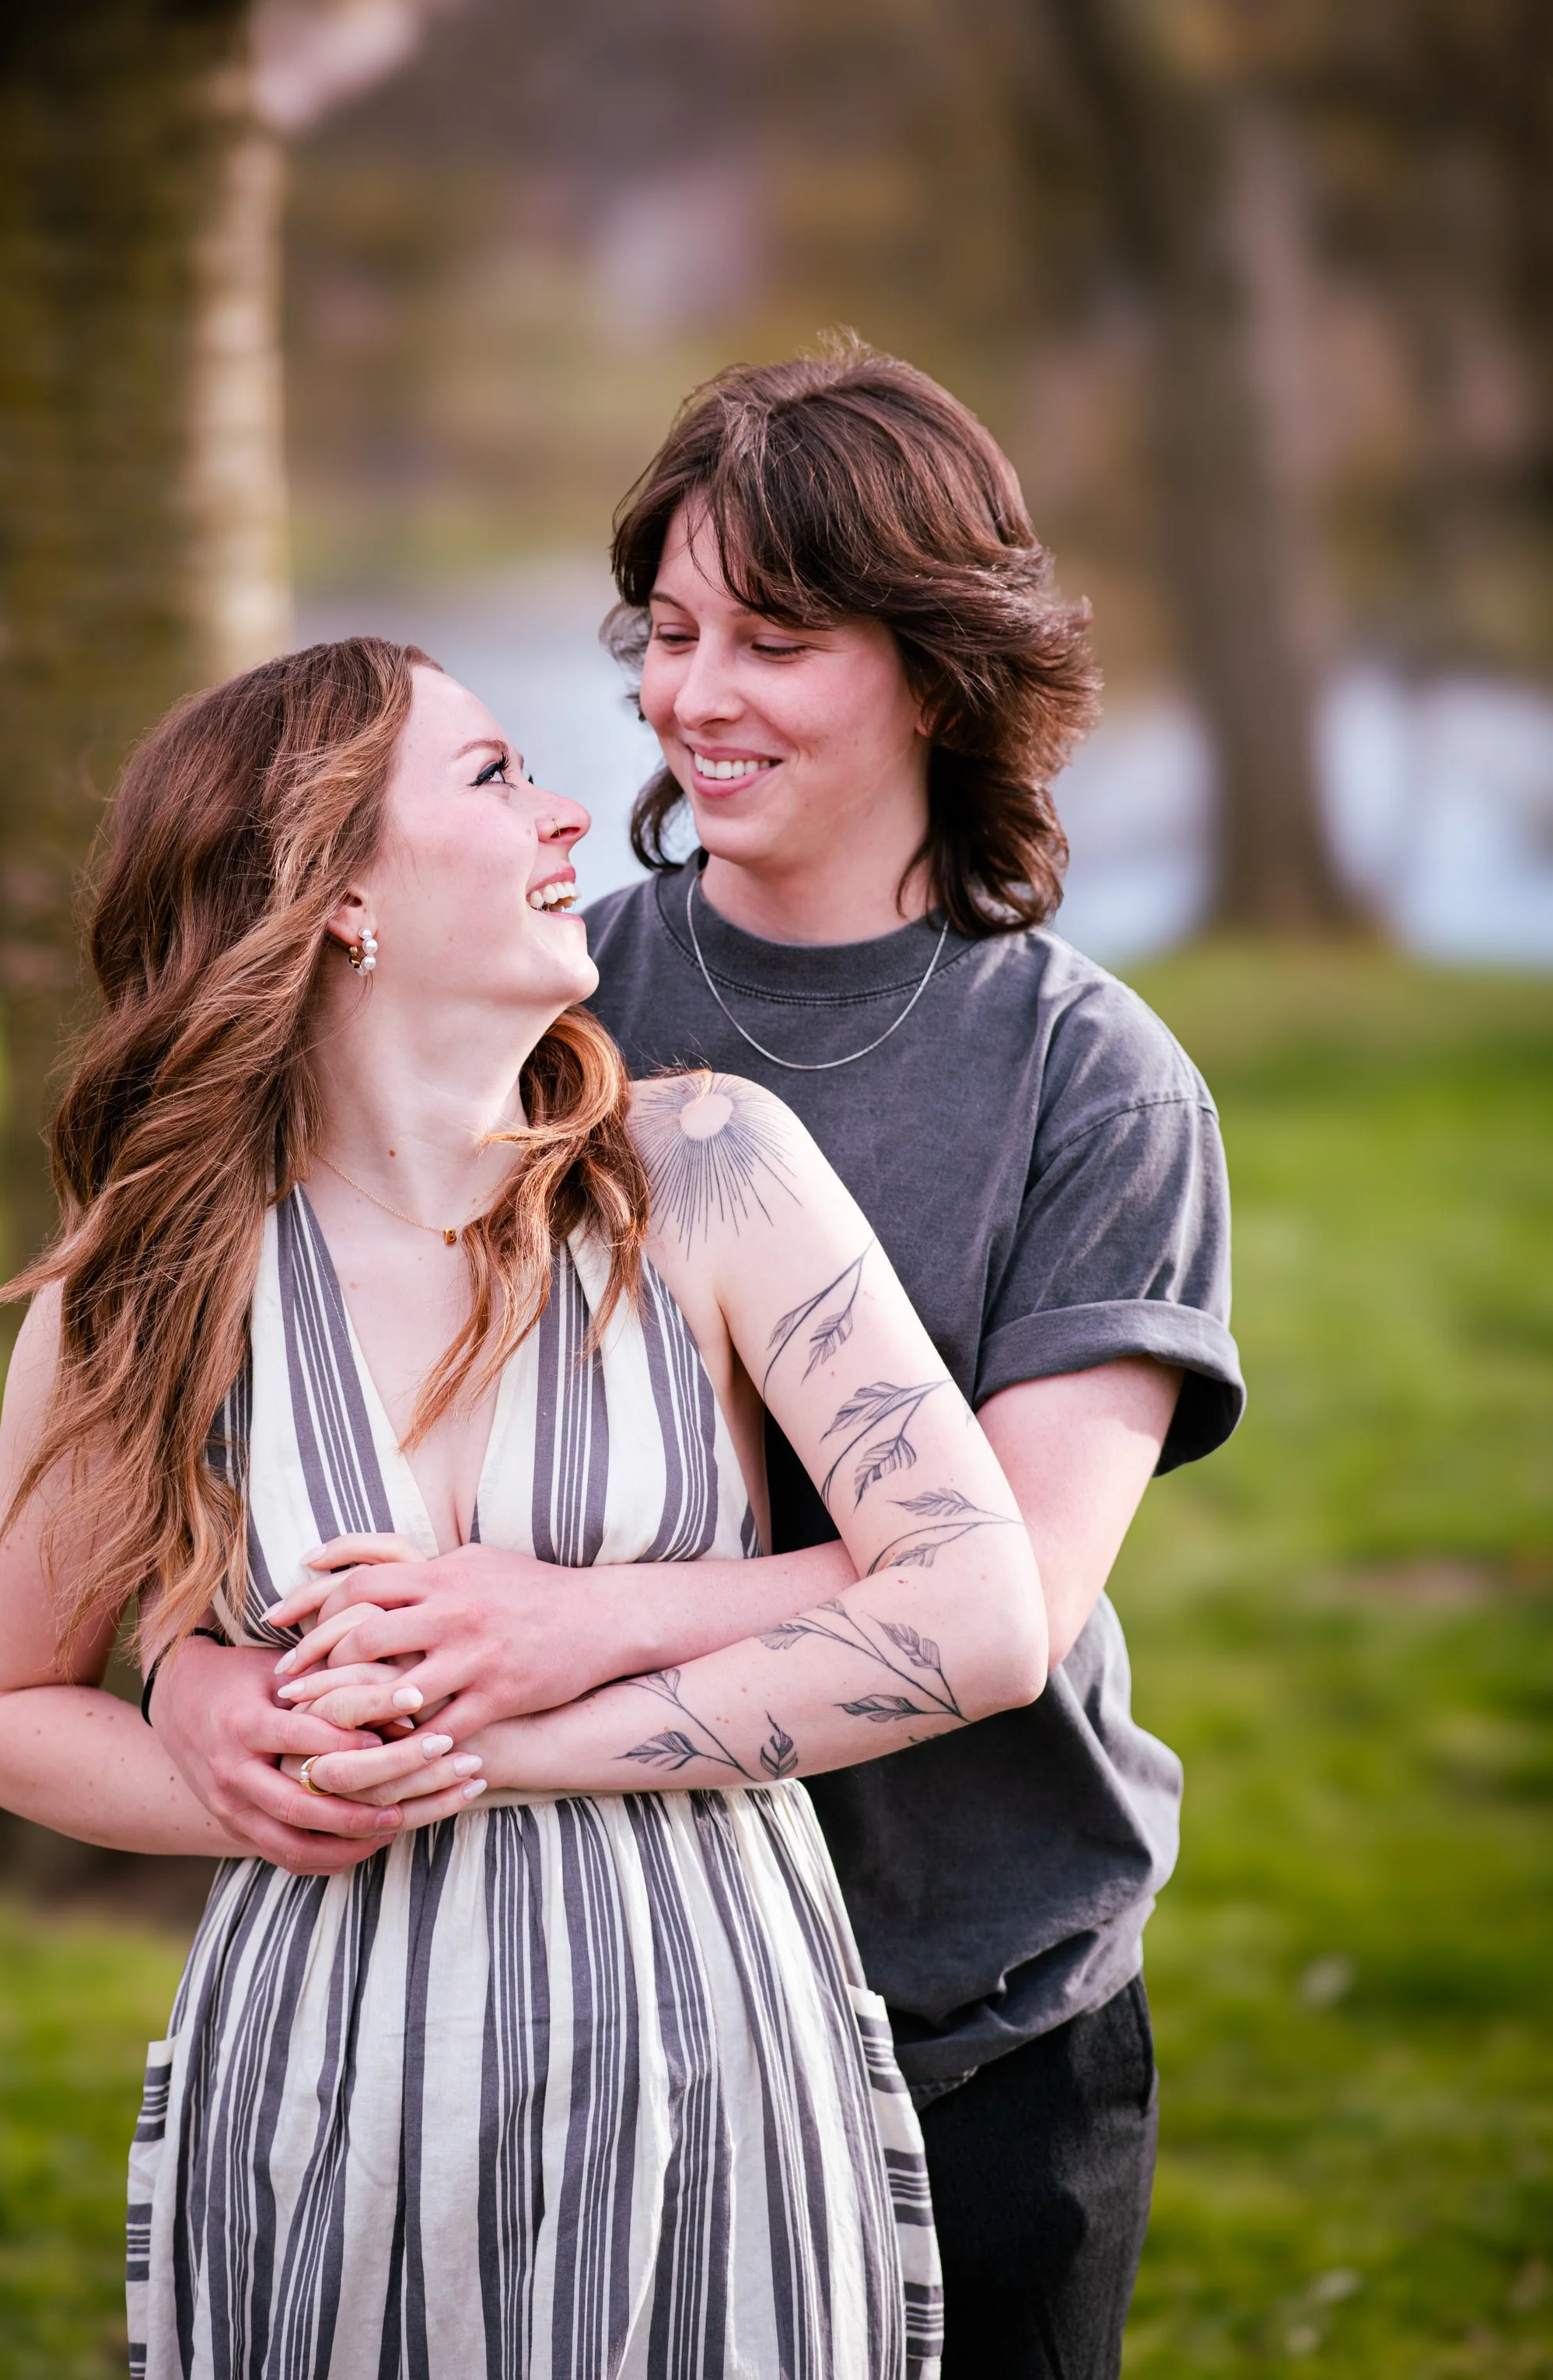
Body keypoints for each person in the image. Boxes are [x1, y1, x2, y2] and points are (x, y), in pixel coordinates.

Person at [168, 347, 1245, 2380]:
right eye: (664, 631)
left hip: (967, 1999)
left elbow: (1011, 1581)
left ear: (932, 667)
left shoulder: (1091, 1086)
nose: (688, 693)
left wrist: (557, 1627)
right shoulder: (552, 984)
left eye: (774, 634)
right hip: (563, 1985)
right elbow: (278, 1403)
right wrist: (205, 1673)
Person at [0, 633, 1052, 2380]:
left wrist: (495, 1738)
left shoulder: (707, 1175)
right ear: (337, 896)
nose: (567, 818)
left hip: (708, 2058)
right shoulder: (148, 1292)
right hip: (328, 2088)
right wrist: (215, 1768)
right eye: (489, 777)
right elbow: (0, 1712)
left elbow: (979, 1615)